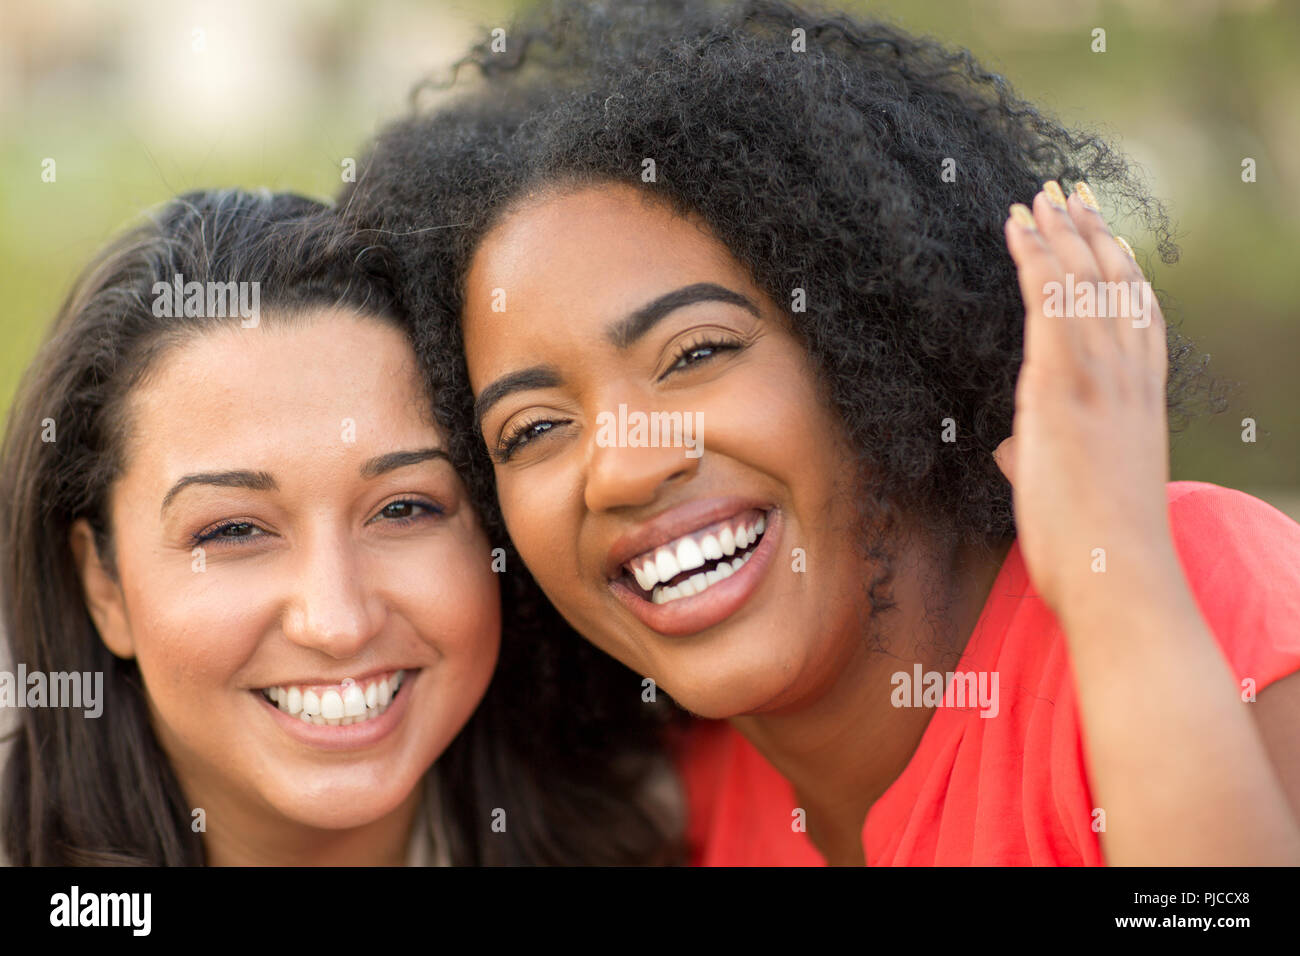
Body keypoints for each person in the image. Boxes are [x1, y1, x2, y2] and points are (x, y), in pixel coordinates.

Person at [343, 0, 1300, 864]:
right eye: (534, 428)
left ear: (868, 344)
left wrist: (1117, 572)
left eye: (696, 353)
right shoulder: (697, 799)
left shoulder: (1192, 589)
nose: (623, 471)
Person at [0, 188, 679, 865]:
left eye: (405, 508)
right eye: (234, 531)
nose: (338, 623)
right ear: (103, 585)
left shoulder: (676, 829)